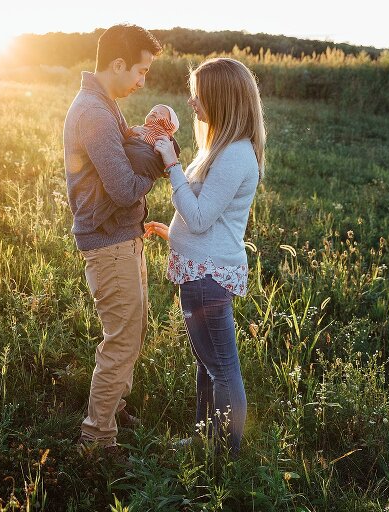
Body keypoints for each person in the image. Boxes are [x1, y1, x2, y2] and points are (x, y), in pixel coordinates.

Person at [145, 57, 266, 455]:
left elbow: (198, 219)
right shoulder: (221, 148)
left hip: (207, 277)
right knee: (207, 365)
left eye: (198, 96)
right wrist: (172, 231)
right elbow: (200, 212)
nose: (192, 103)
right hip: (201, 269)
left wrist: (171, 164)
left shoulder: (234, 155)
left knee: (222, 369)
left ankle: (224, 453)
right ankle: (204, 439)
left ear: (221, 99)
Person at [62, 24, 163, 451]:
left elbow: (120, 153)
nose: (142, 81)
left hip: (123, 237)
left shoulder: (106, 105)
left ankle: (114, 406)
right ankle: (96, 440)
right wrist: (160, 164)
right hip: (108, 242)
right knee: (120, 339)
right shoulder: (94, 112)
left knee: (132, 331)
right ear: (118, 64)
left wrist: (144, 135)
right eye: (140, 72)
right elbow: (122, 188)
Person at [93, 104, 181, 234]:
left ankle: (105, 216)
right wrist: (134, 130)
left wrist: (162, 146)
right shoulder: (142, 127)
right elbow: (126, 135)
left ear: (169, 122)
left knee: (119, 192)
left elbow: (171, 152)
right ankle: (105, 213)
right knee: (112, 188)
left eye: (161, 112)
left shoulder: (165, 132)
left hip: (143, 157)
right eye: (152, 110)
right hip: (131, 151)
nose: (155, 112)